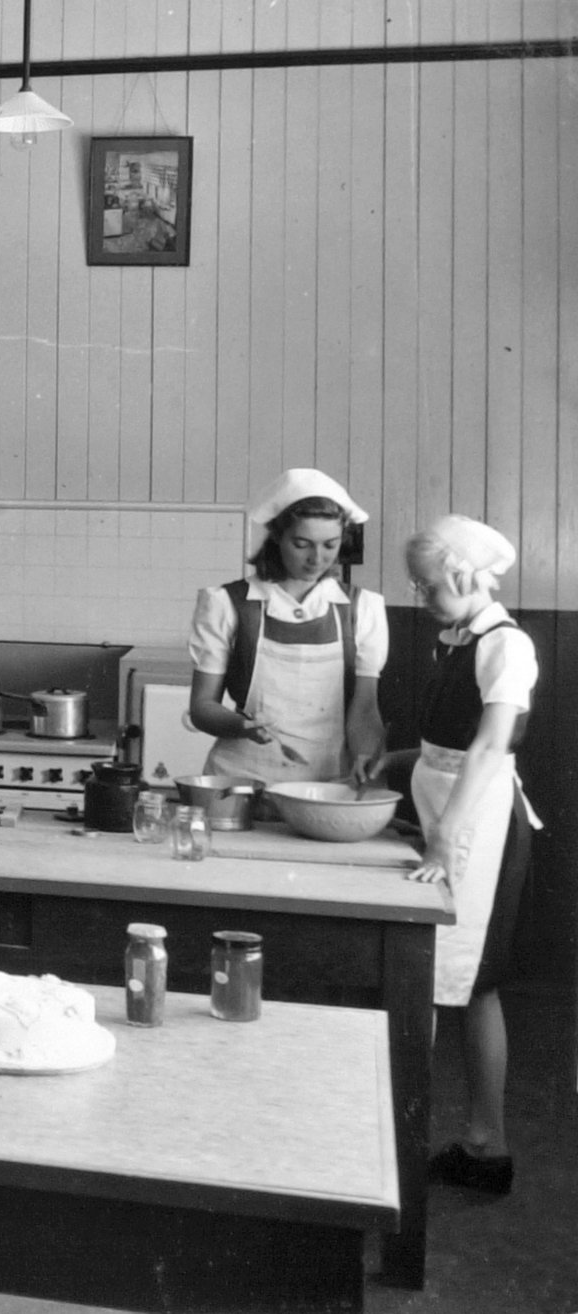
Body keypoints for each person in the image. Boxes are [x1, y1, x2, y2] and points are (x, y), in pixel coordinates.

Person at [370, 516, 540, 1195]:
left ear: (467, 577)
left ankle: (483, 1143)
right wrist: (399, 759)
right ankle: (459, 1140)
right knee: (455, 980)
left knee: (469, 978)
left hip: (480, 827)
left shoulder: (508, 645)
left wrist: (444, 836)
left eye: (428, 584)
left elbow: (493, 747)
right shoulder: (461, 639)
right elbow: (452, 740)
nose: (421, 595)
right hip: (450, 813)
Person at [187, 469, 387, 783]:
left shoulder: (362, 609)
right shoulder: (227, 603)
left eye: (330, 545)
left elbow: (363, 709)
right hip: (241, 780)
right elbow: (202, 707)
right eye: (302, 544)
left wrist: (366, 757)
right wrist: (239, 726)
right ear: (277, 535)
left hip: (327, 783)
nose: (317, 558)